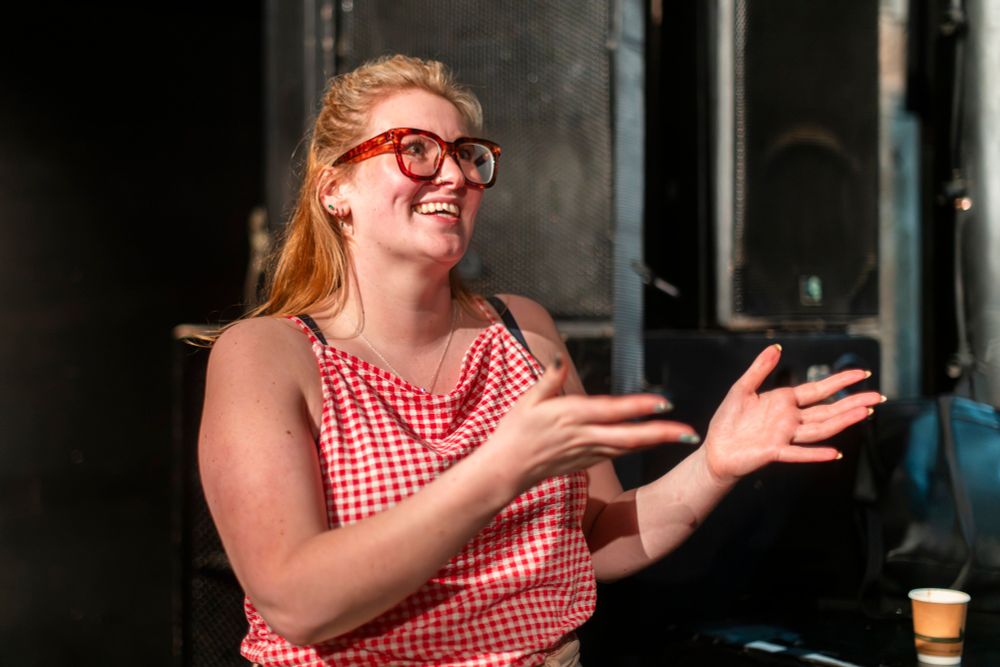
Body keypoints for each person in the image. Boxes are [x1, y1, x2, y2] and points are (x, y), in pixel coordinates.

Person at [198, 54, 883, 667]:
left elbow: (595, 538)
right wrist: (498, 471)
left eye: (468, 155)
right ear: (334, 190)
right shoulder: (267, 354)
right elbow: (295, 601)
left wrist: (713, 463)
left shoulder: (522, 330)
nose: (454, 173)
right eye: (414, 149)